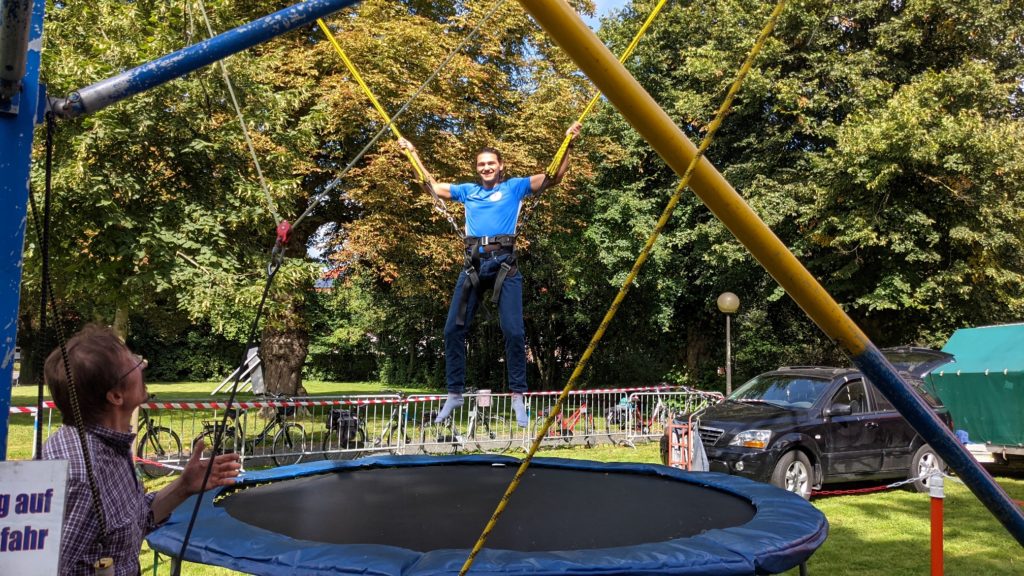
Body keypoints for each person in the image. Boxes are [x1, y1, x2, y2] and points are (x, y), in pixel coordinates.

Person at [399, 122, 582, 427]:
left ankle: (518, 397)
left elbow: (554, 176)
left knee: (513, 331)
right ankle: (454, 393)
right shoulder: (467, 192)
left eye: (490, 164)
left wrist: (568, 144)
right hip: (473, 266)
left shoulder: (514, 187)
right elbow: (431, 186)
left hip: (504, 266)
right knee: (451, 330)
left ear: (500, 167)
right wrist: (412, 155)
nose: (486, 168)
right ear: (477, 169)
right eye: (481, 165)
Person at [42, 325, 241, 576]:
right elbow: (46, 568)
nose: (143, 366)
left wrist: (184, 486)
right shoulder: (80, 475)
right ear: (116, 396)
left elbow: (134, 522)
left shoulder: (110, 444)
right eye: (134, 363)